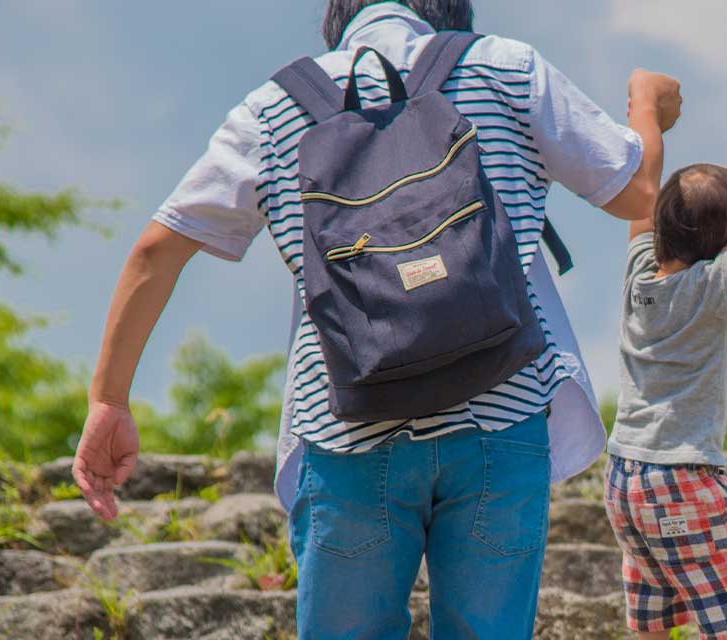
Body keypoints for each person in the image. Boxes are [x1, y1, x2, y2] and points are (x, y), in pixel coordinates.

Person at [68, 1, 682, 636]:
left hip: (348, 432)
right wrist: (646, 103)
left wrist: (108, 400)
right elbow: (637, 191)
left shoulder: (273, 108)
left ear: (336, 21)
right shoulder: (505, 67)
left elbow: (157, 249)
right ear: (451, 15)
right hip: (500, 414)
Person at [603, 163, 727, 640]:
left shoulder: (639, 274)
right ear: (725, 244)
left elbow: (642, 194)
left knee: (653, 618)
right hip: (682, 475)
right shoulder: (712, 287)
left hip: (624, 477)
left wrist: (645, 108)